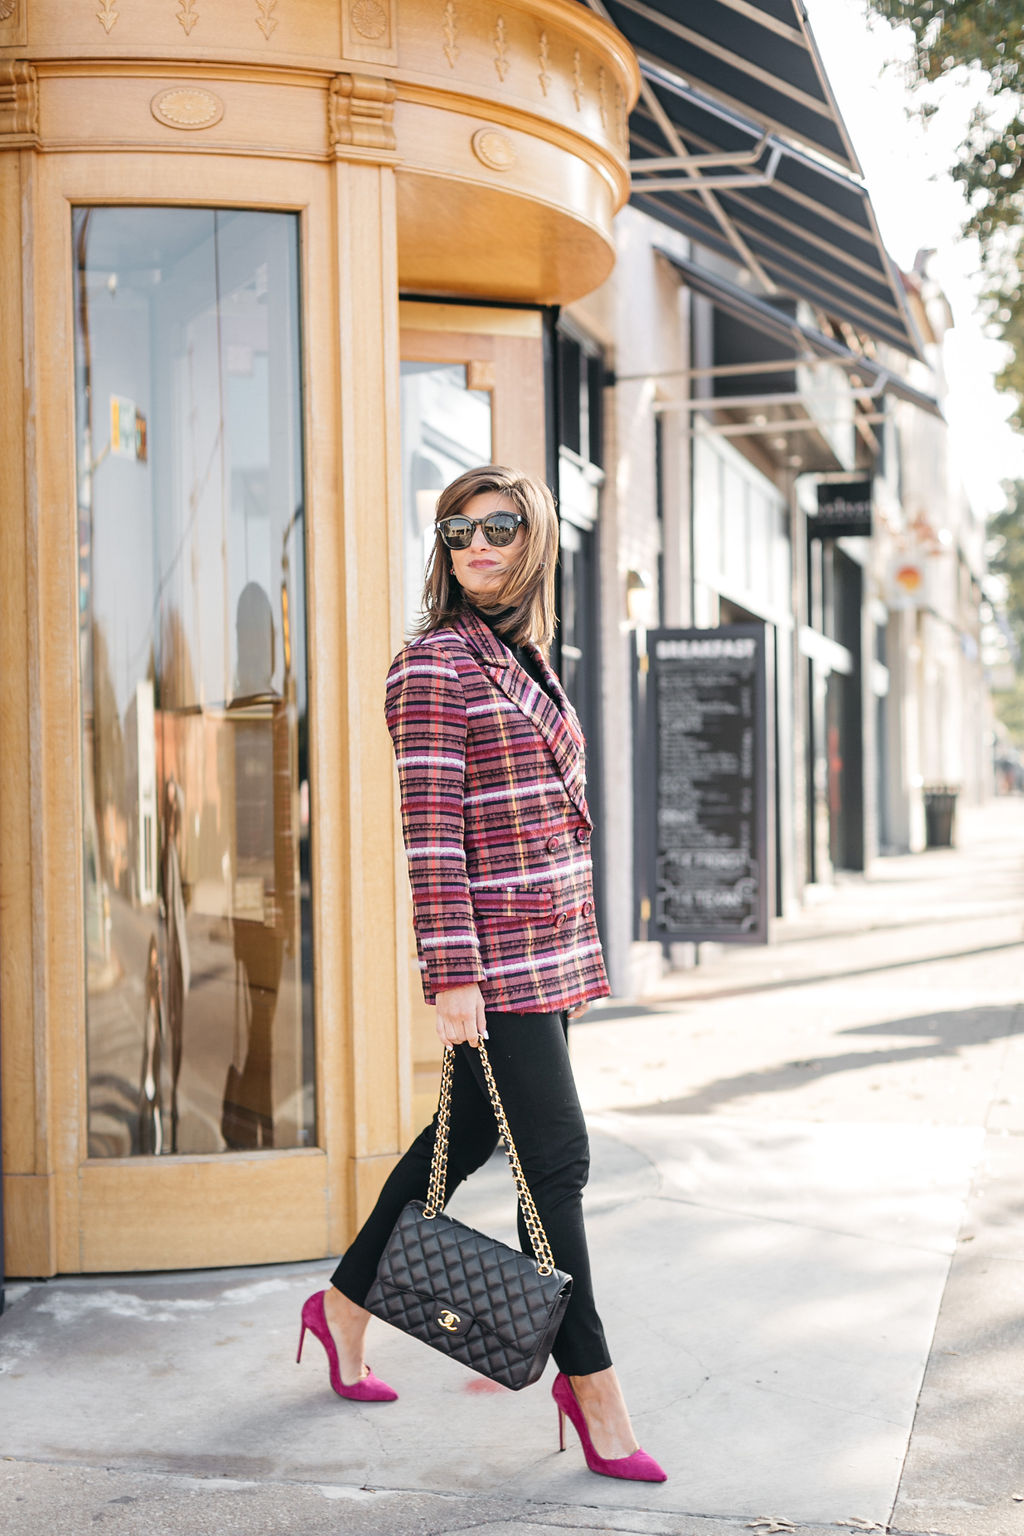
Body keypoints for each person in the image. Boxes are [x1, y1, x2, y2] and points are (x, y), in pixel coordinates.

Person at [297, 466, 665, 1483]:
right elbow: (431, 838)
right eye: (457, 529)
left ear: (535, 538)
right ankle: (592, 1387)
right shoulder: (433, 666)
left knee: (457, 1152)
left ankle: (337, 1310)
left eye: (498, 525)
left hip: (547, 959)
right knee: (557, 1165)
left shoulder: (523, 657)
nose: (476, 543)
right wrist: (451, 975)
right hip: (494, 967)